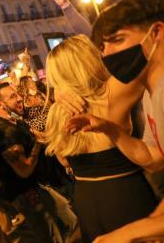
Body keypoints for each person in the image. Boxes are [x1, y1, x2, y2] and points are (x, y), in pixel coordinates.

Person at [44, 35, 158, 242]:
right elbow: (152, 55)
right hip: (125, 196)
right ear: (89, 59)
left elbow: (63, 161)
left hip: (86, 200)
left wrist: (59, 90)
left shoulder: (56, 113)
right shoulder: (112, 94)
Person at [0, 82, 76, 242]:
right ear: (0, 104)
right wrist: (38, 143)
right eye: (13, 96)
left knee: (69, 223)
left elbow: (41, 136)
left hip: (40, 186)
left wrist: (60, 134)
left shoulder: (17, 123)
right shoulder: (2, 133)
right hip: (25, 195)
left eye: (18, 94)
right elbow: (24, 170)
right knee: (48, 236)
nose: (20, 98)